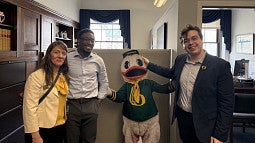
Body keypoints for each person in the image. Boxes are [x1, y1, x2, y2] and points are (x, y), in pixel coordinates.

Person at [143, 24, 234, 143]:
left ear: (201, 40)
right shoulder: (180, 60)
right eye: (186, 41)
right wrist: (149, 65)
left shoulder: (220, 66)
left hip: (206, 124)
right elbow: (171, 73)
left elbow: (227, 104)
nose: (190, 43)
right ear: (183, 45)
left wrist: (220, 135)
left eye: (194, 38)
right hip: (183, 118)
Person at [106, 50, 175, 143]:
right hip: (130, 121)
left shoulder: (148, 83)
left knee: (152, 139)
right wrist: (109, 92)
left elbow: (163, 89)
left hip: (150, 120)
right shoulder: (126, 86)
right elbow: (119, 97)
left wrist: (175, 84)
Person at [66, 28, 109, 143]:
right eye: (86, 39)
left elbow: (104, 82)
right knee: (71, 139)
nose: (89, 43)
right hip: (71, 105)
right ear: (78, 40)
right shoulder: (67, 58)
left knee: (89, 140)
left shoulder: (98, 60)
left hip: (91, 104)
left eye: (92, 40)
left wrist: (98, 100)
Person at [23, 40, 69, 143]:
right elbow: (29, 108)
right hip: (41, 129)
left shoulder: (63, 76)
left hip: (60, 126)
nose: (60, 56)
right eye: (56, 52)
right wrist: (35, 136)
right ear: (49, 55)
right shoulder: (36, 76)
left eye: (63, 53)